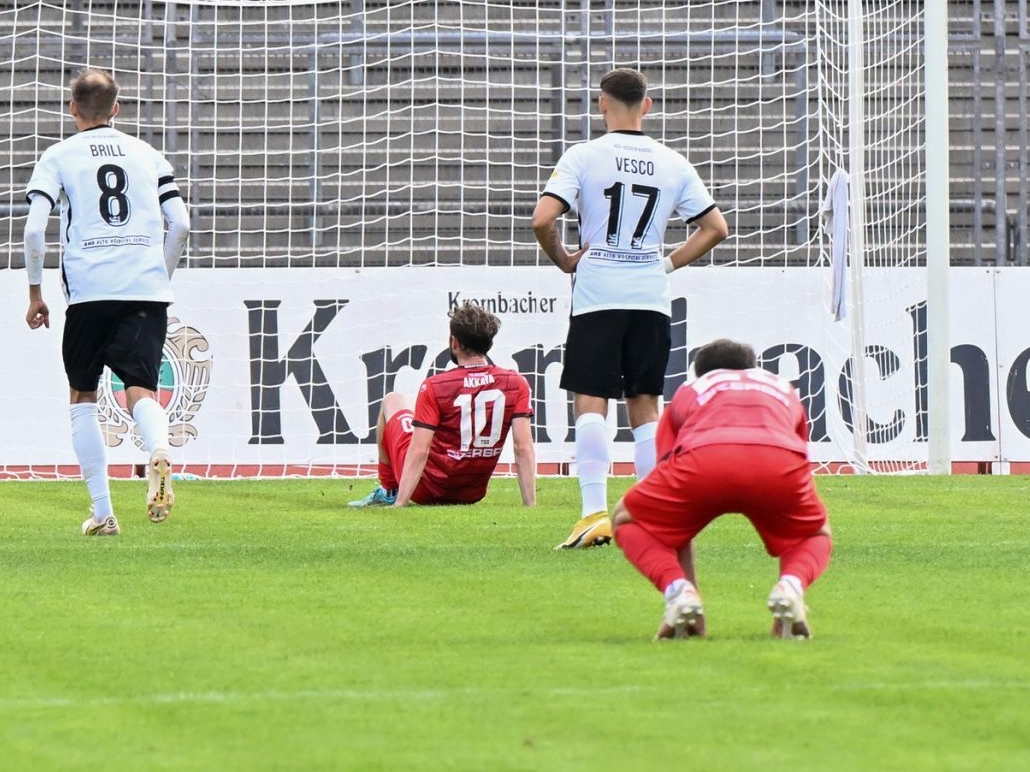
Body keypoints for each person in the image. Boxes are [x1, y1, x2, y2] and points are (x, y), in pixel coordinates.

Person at [532, 67, 729, 550]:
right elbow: (716, 228)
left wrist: (564, 260)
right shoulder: (673, 162)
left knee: (591, 401)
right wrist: (665, 264)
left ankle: (593, 514)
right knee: (645, 405)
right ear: (648, 105)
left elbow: (542, 219)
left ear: (602, 103)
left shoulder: (583, 156)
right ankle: (653, 518)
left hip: (599, 295)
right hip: (649, 298)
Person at [22, 69, 191, 536]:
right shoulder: (148, 154)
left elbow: (34, 229)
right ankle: (158, 449)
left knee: (82, 397)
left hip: (90, 291)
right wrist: (158, 277)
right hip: (144, 290)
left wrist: (35, 293)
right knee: (141, 389)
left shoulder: (58, 156)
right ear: (116, 109)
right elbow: (180, 224)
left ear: (72, 108)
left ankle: (103, 513)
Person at [612, 339, 833, 641]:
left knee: (627, 517)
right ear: (752, 368)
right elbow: (799, 454)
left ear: (701, 373)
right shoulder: (783, 388)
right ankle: (791, 587)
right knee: (813, 532)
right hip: (777, 462)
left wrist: (687, 589)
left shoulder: (691, 389)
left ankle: (678, 593)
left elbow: (669, 492)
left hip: (704, 459)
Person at [347, 301, 537, 510]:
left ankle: (389, 492)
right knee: (411, 407)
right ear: (488, 343)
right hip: (471, 493)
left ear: (454, 342)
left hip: (425, 490)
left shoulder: (435, 386)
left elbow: (419, 450)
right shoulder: (516, 383)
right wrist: (531, 506)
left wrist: (400, 504)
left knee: (392, 400)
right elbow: (523, 447)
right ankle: (394, 491)